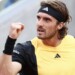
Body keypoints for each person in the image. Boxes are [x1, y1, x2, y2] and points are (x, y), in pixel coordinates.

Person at [0, 0, 75, 75]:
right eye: (38, 18)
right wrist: (11, 40)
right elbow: (4, 73)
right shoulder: (26, 50)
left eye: (47, 20)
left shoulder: (72, 42)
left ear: (60, 25)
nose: (39, 24)